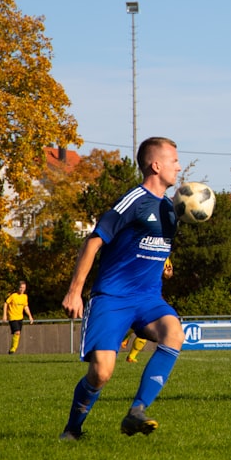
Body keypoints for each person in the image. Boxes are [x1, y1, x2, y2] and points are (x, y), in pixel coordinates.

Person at [59, 137, 185, 441]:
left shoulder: (170, 209)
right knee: (101, 372)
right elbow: (93, 241)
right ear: (156, 165)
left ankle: (136, 412)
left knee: (175, 334)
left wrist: (164, 265)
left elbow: (153, 247)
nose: (179, 167)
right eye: (174, 161)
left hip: (148, 299)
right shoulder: (133, 201)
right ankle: (73, 430)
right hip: (112, 298)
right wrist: (75, 291)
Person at [124, 258, 175, 362]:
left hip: (152, 294)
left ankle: (131, 354)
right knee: (143, 323)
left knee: (145, 325)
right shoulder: (144, 251)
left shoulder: (165, 257)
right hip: (138, 292)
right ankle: (124, 342)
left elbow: (168, 275)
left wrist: (168, 273)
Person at [2, 281, 34, 354]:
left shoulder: (25, 297)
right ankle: (13, 349)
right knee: (17, 332)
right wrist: (4, 315)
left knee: (17, 334)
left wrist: (30, 316)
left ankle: (11, 350)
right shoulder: (13, 296)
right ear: (18, 288)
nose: (22, 289)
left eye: (24, 288)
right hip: (13, 317)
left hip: (20, 318)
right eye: (21, 287)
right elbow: (6, 303)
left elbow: (25, 307)